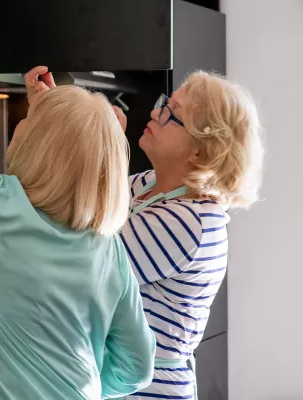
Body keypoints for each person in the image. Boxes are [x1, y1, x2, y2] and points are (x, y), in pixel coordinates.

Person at [0, 7, 156, 400]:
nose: (20, 123)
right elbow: (137, 367)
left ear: (40, 149)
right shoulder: (108, 250)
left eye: (27, 122)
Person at [113, 72, 264, 399]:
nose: (155, 113)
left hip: (145, 388)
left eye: (171, 114)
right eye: (163, 104)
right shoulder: (151, 185)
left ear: (199, 151)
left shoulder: (190, 222)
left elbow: (87, 259)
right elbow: (89, 206)